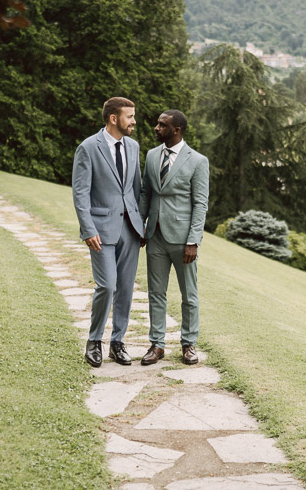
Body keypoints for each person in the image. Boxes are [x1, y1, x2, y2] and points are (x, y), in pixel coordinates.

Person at [72, 97, 145, 367]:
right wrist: (88, 228)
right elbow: (80, 193)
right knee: (107, 285)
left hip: (131, 230)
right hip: (100, 229)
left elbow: (137, 189)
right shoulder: (88, 148)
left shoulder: (134, 147)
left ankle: (118, 342)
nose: (134, 121)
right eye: (130, 117)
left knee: (125, 288)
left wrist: (141, 224)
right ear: (114, 118)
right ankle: (94, 341)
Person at [138, 110, 209, 366]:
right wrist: (140, 227)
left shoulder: (198, 161)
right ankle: (157, 345)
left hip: (182, 239)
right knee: (156, 292)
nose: (156, 128)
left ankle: (188, 344)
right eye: (157, 123)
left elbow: (200, 204)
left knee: (189, 294)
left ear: (176, 129)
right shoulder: (151, 155)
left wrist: (193, 241)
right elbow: (146, 192)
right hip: (154, 235)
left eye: (162, 125)